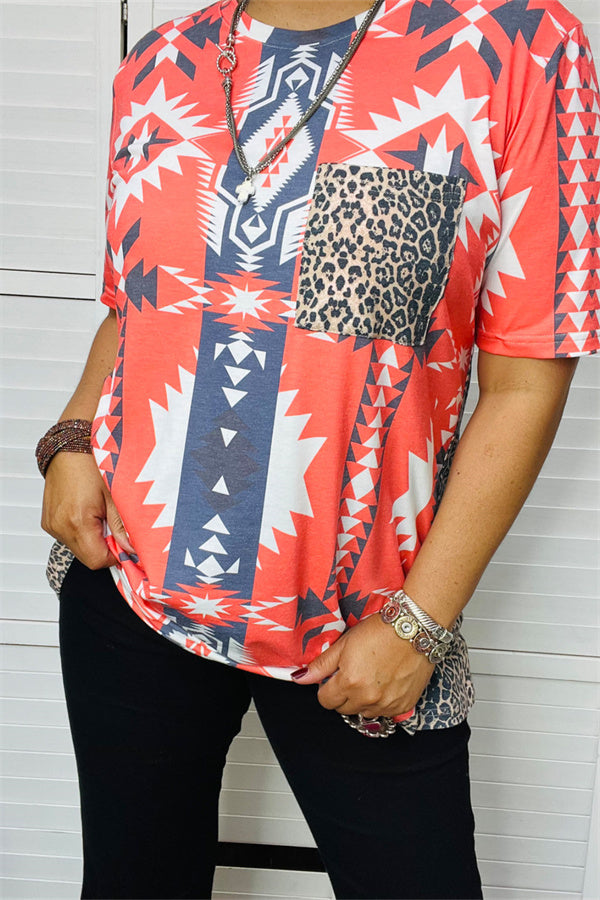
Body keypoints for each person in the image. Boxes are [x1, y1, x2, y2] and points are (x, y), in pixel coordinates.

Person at [38, 0, 599, 897]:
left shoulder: (515, 48)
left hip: (362, 625)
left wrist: (420, 624)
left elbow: (526, 381)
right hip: (130, 590)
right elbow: (136, 305)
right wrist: (72, 437)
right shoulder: (160, 61)